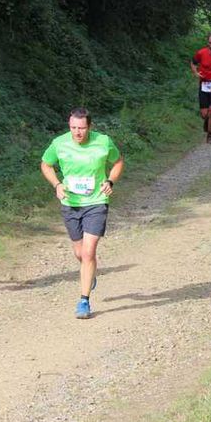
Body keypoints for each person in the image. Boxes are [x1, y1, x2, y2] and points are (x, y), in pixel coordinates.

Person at [40, 108, 125, 319]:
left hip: (96, 202)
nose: (77, 133)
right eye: (73, 128)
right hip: (70, 203)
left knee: (88, 253)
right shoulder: (59, 143)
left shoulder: (103, 141)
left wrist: (110, 181)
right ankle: (90, 273)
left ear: (90, 127)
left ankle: (84, 301)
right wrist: (57, 184)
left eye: (82, 128)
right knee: (79, 253)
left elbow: (118, 161)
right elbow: (46, 164)